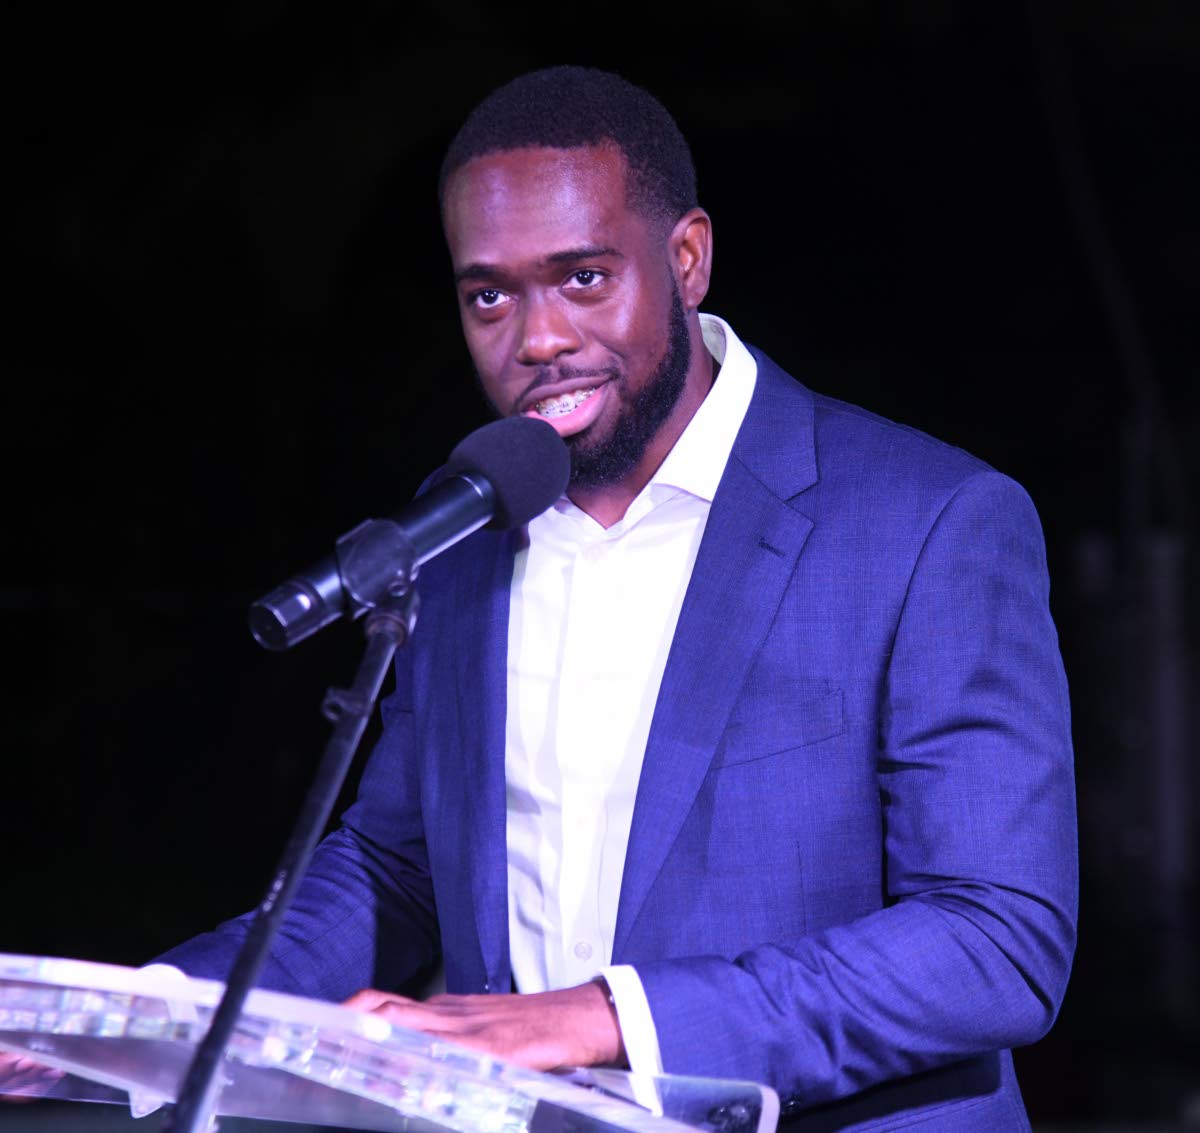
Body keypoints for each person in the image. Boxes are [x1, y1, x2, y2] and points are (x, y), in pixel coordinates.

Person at [156, 66, 1078, 1129]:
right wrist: (153, 1012)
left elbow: (996, 939)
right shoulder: (465, 526)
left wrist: (608, 1017)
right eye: (489, 295)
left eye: (583, 278)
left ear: (687, 259)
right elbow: (397, 867)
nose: (538, 337)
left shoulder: (926, 521)